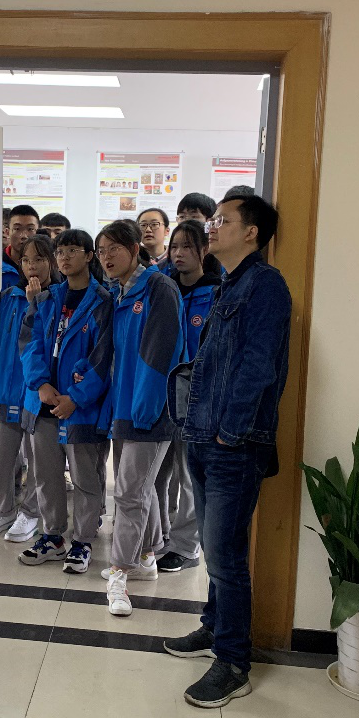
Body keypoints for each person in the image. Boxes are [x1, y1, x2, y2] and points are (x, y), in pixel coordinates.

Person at [163, 195, 291, 709]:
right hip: (203, 435)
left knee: (226, 555)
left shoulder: (266, 286)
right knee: (214, 550)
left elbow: (259, 366)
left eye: (223, 220)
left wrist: (229, 432)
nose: (211, 227)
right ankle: (214, 627)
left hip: (233, 443)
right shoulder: (228, 284)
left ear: (252, 232)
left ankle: (234, 663)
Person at [95, 220, 183, 616]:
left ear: (134, 249)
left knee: (129, 493)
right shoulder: (120, 292)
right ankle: (146, 557)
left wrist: (145, 409)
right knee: (141, 489)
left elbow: (161, 353)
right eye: (101, 251)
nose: (106, 257)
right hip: (124, 407)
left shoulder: (159, 288)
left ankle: (119, 574)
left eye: (114, 249)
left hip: (149, 411)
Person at [19, 229, 113, 574]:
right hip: (45, 403)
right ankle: (52, 536)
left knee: (86, 478)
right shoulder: (47, 298)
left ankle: (83, 541)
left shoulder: (103, 301)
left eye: (73, 250)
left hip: (81, 409)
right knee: (46, 475)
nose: (64, 257)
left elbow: (104, 358)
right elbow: (29, 343)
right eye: (60, 252)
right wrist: (41, 384)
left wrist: (76, 398)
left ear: (89, 256)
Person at [0, 234, 61, 542]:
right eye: (26, 260)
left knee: (39, 461)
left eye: (39, 259)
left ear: (52, 262)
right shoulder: (7, 296)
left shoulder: (59, 298)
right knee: (0, 457)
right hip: (4, 389)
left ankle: (31, 513)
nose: (32, 266)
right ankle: (2, 509)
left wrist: (37, 303)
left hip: (37, 395)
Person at [154, 222, 220, 572]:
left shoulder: (217, 293)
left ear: (204, 251)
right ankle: (161, 534)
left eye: (187, 247)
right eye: (175, 246)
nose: (178, 254)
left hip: (196, 399)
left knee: (189, 475)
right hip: (160, 395)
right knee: (158, 472)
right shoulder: (163, 289)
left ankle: (185, 546)